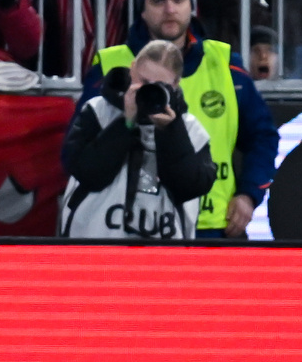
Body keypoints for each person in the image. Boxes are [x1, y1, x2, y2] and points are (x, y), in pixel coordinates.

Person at [75, 0, 279, 237]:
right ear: (142, 12)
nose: (170, 9)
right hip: (128, 227)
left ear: (191, 6)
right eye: (158, 0)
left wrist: (248, 194)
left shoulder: (225, 65)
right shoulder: (110, 67)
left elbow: (263, 137)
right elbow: (79, 152)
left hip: (211, 225)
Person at [60, 39, 216, 239]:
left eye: (159, 86)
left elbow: (191, 187)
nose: (147, 91)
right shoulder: (98, 111)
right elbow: (86, 172)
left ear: (175, 85)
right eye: (142, 81)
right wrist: (127, 122)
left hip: (162, 252)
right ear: (132, 68)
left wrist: (170, 131)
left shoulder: (190, 129)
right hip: (94, 243)